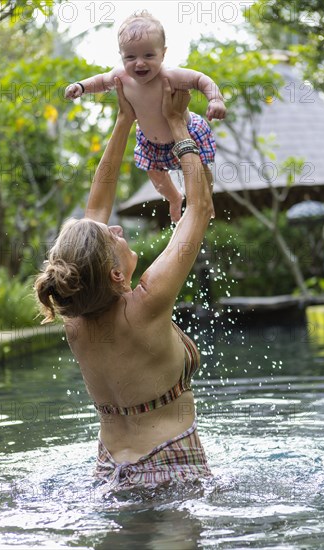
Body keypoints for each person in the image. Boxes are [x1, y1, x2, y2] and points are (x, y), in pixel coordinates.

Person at [35, 76, 213, 491]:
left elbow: (95, 210)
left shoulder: (73, 315)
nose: (115, 227)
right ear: (116, 273)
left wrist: (123, 122)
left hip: (107, 469)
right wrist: (178, 125)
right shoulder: (146, 303)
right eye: (113, 237)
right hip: (172, 463)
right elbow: (200, 208)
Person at [65, 10, 226, 222]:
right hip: (151, 142)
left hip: (187, 133)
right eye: (130, 57)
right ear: (121, 56)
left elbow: (200, 79)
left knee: (200, 171)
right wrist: (81, 86)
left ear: (163, 53)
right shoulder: (120, 76)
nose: (139, 63)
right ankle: (175, 198)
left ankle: (207, 199)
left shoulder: (170, 75)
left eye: (148, 56)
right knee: (157, 179)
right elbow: (101, 81)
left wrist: (215, 100)